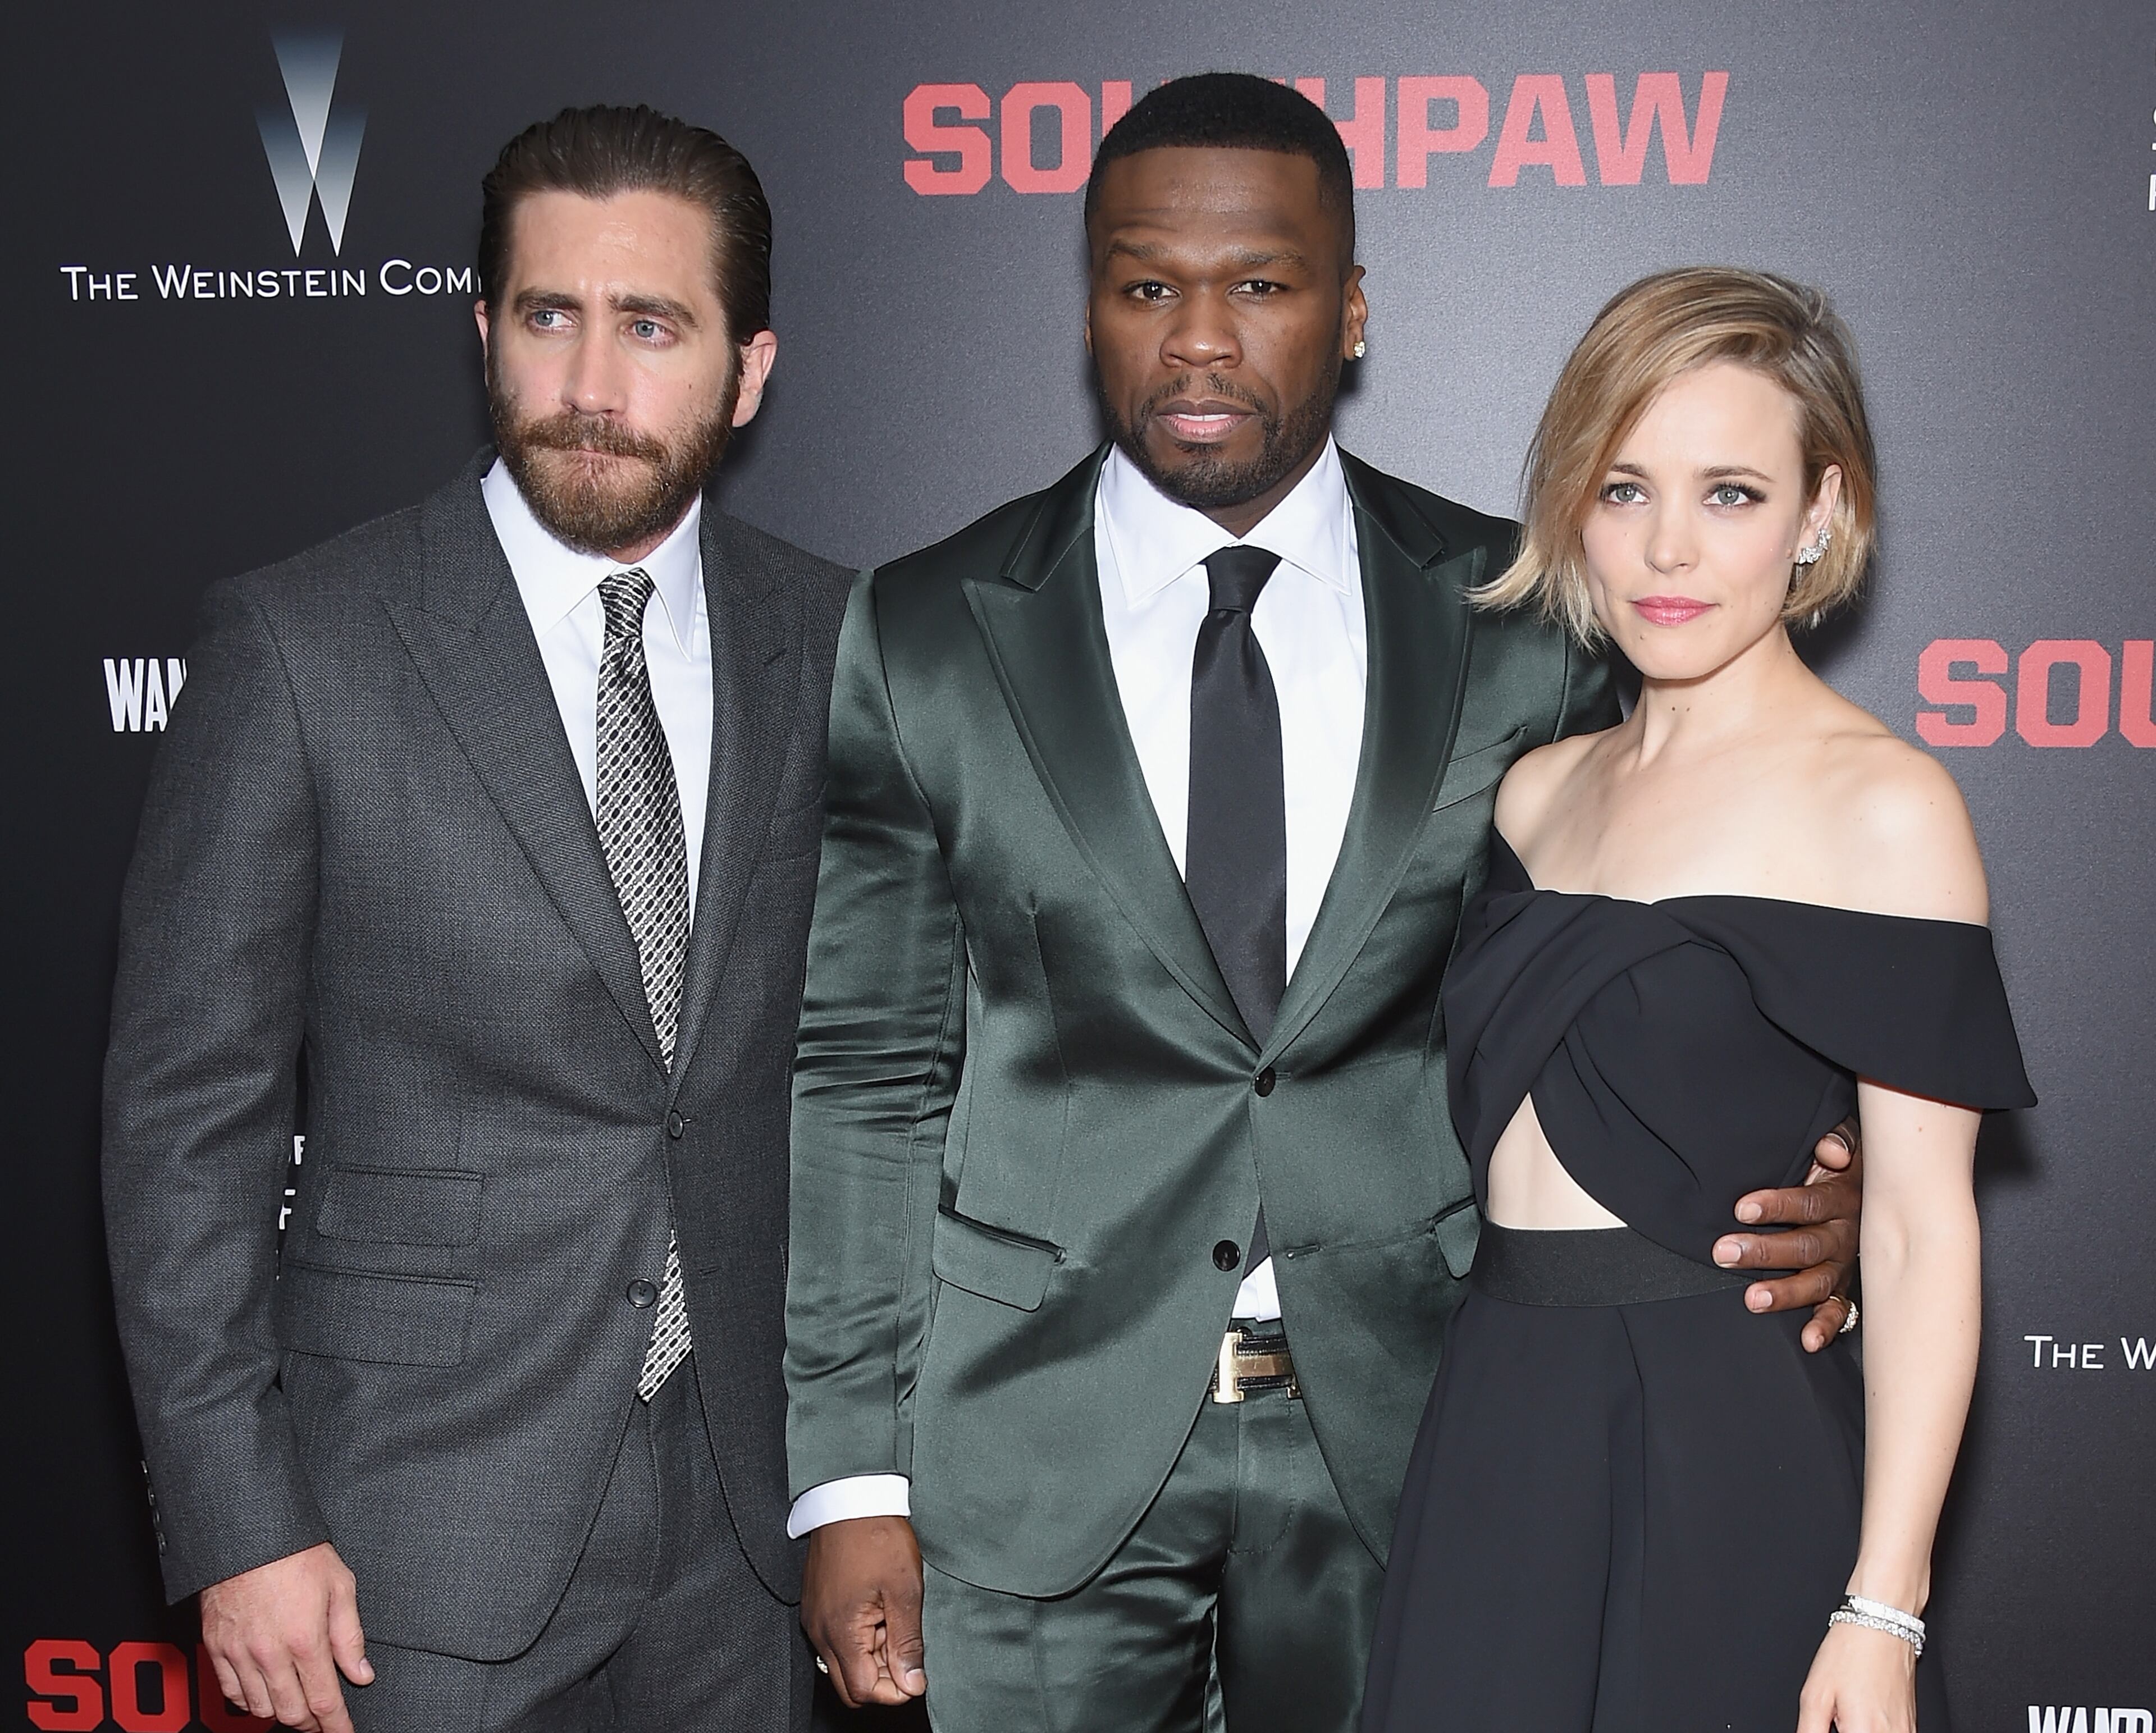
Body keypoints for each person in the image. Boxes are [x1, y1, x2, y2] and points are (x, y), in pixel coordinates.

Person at [784, 77, 1862, 1733]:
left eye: (1261, 287)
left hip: (1427, 1429)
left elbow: (1663, 968)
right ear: (1091, 307)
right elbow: (865, 1072)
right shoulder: (931, 627)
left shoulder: (1526, 619)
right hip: (1032, 1451)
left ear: (1350, 310)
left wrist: (1833, 1179)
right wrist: (850, 1472)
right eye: (1147, 287)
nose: (1198, 340)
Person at [102, 105, 850, 1733]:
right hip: (405, 1534)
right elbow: (186, 1125)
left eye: (652, 327)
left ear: (751, 367)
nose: (591, 383)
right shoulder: (304, 645)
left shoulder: (840, 638)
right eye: (547, 316)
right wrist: (243, 1522)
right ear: (483, 332)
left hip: (747, 1527)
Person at [1359, 267, 2035, 1732]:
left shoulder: (1887, 807)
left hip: (1728, 1442)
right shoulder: (1538, 792)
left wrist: (1885, 1605)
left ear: (1819, 512)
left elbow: (1921, 1231)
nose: (1668, 548)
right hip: (1497, 1421)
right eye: (1624, 489)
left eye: (1730, 493)